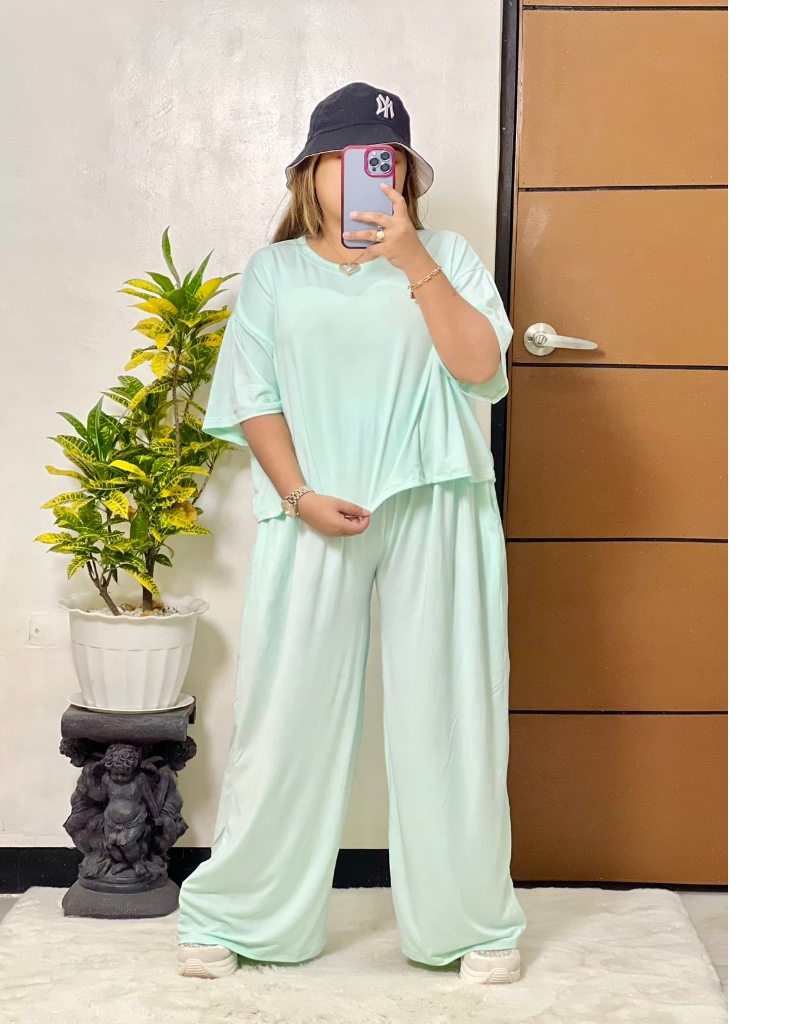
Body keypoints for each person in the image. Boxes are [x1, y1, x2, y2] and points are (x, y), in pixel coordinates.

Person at [175, 82, 527, 986]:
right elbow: (253, 395)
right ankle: (241, 913)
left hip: (437, 499)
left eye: (388, 157)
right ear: (313, 170)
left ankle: (470, 926)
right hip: (314, 508)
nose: (374, 170)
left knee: (453, 713)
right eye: (352, 155)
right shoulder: (275, 272)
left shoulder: (447, 256)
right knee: (284, 711)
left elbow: (481, 371)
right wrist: (296, 495)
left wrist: (413, 260)